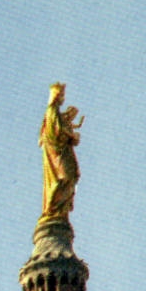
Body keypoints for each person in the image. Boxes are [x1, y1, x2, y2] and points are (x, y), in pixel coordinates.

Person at [39, 82, 83, 220]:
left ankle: (59, 210)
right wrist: (72, 136)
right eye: (62, 95)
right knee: (62, 178)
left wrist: (71, 137)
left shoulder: (57, 113)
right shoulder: (52, 111)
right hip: (58, 154)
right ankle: (51, 210)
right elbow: (55, 132)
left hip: (64, 152)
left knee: (70, 177)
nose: (63, 98)